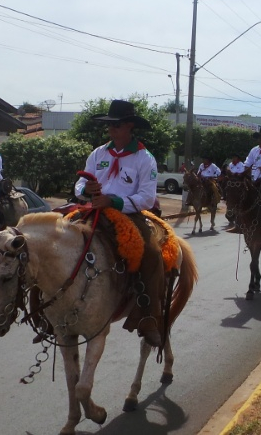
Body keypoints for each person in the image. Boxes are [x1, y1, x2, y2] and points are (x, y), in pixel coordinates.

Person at [73, 99, 164, 347]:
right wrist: (86, 190)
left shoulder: (145, 158)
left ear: (130, 127)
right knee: (57, 238)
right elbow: (79, 185)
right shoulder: (98, 153)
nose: (111, 130)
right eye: (110, 125)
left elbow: (146, 197)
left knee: (152, 253)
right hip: (93, 210)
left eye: (117, 125)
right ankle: (50, 307)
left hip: (128, 214)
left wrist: (113, 201)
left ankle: (148, 317)